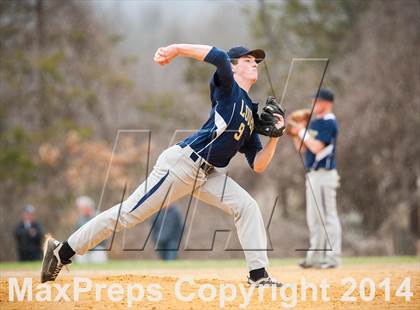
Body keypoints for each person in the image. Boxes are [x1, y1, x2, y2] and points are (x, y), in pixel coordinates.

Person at [41, 44, 285, 286]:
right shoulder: (228, 89)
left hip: (207, 176)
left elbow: (258, 164)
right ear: (233, 69)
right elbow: (219, 56)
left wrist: (275, 136)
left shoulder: (251, 114)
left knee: (247, 206)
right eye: (247, 59)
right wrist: (176, 49)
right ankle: (61, 252)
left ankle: (258, 275)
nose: (254, 63)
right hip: (181, 166)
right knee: (127, 214)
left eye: (256, 60)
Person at [290, 88, 341, 268]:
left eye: (316, 101)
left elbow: (317, 147)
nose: (312, 104)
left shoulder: (329, 122)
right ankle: (315, 259)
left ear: (327, 103)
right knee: (314, 218)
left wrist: (302, 130)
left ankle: (333, 258)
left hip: (324, 174)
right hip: (313, 175)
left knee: (328, 216)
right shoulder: (315, 123)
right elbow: (302, 149)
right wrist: (296, 133)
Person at [73, 196, 108, 264]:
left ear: (88, 207)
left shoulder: (99, 216)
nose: (81, 210)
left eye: (82, 208)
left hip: (97, 248)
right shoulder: (81, 219)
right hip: (84, 249)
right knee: (79, 257)